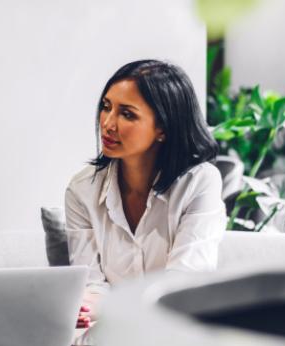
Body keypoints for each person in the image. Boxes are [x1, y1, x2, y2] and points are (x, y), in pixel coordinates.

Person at [65, 60, 225, 328]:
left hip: (178, 333)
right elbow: (91, 286)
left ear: (163, 128)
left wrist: (107, 308)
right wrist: (90, 306)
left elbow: (181, 287)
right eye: (106, 107)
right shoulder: (82, 190)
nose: (108, 124)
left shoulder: (200, 183)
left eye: (127, 114)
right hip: (110, 336)